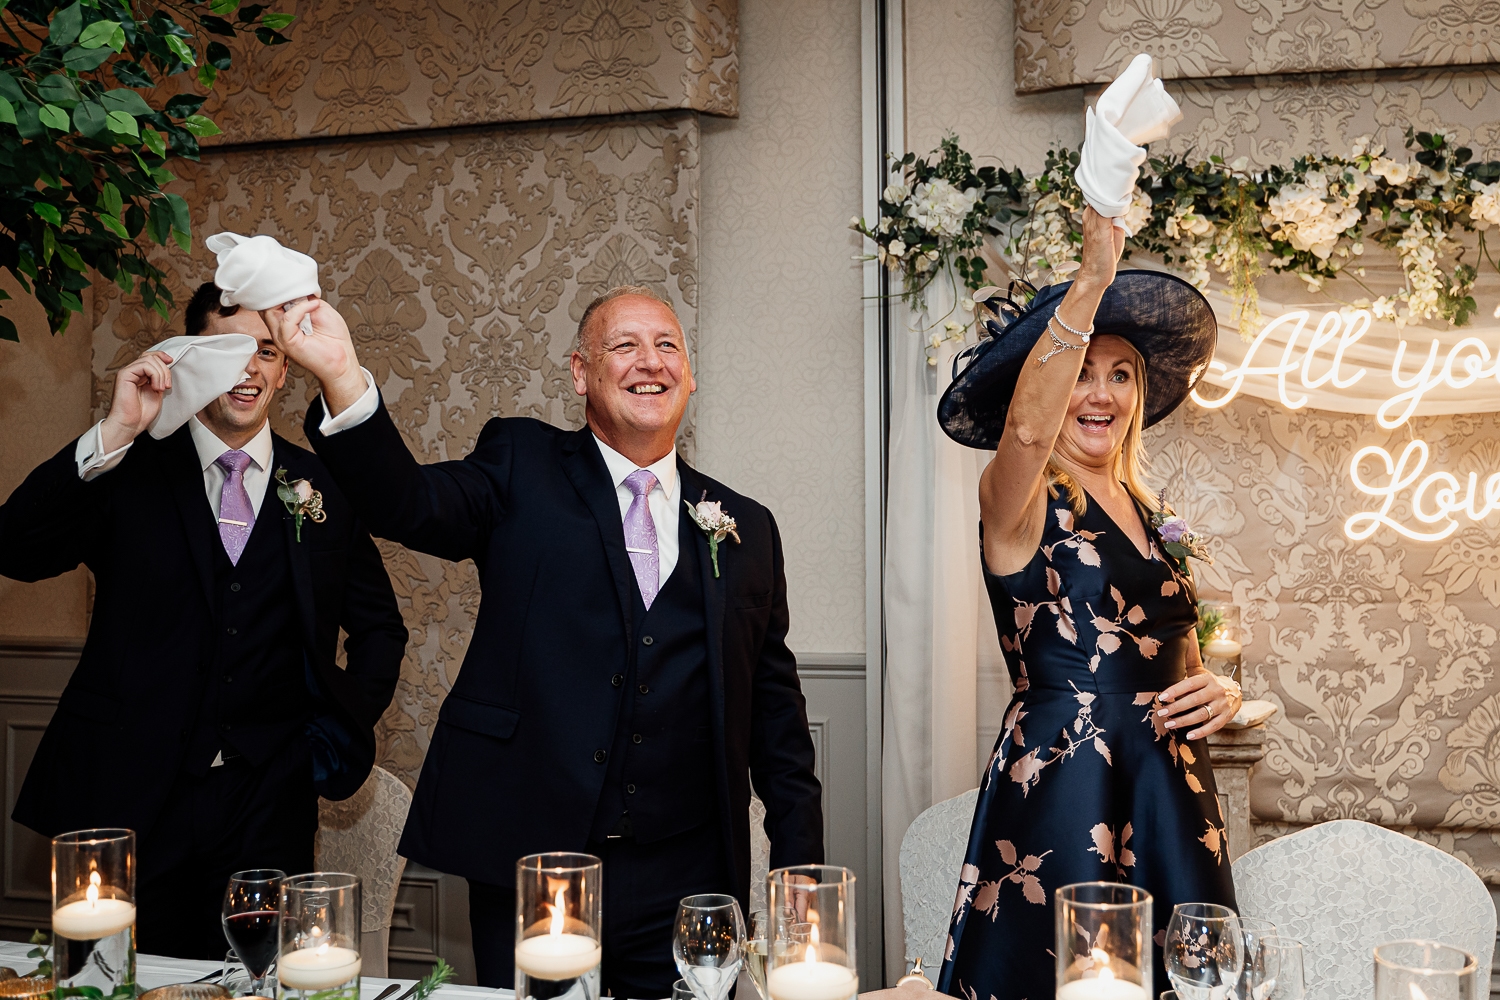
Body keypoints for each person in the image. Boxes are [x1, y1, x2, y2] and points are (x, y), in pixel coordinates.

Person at [259, 284, 824, 996]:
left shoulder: (746, 525)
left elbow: (777, 719)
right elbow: (409, 504)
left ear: (691, 373)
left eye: (667, 345)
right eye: (624, 345)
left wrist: (799, 878)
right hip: (537, 862)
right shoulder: (521, 462)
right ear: (581, 373)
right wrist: (342, 375)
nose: (650, 362)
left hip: (687, 877)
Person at [0, 282, 408, 959]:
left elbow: (380, 628)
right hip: (127, 797)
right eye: (227, 350)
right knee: (112, 980)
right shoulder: (129, 465)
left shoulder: (321, 484)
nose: (248, 369)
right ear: (190, 359)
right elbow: (15, 547)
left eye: (267, 352)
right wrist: (115, 430)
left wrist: (326, 730)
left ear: (285, 368)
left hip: (266, 809)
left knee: (257, 978)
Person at [934, 208, 1240, 1000]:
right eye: (1080, 374)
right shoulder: (1019, 500)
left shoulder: (1155, 513)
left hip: (1171, 792)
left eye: (1120, 374)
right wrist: (1092, 281)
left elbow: (1183, 657)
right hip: (1068, 789)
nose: (1097, 393)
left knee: (1185, 978)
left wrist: (1226, 690)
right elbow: (1030, 435)